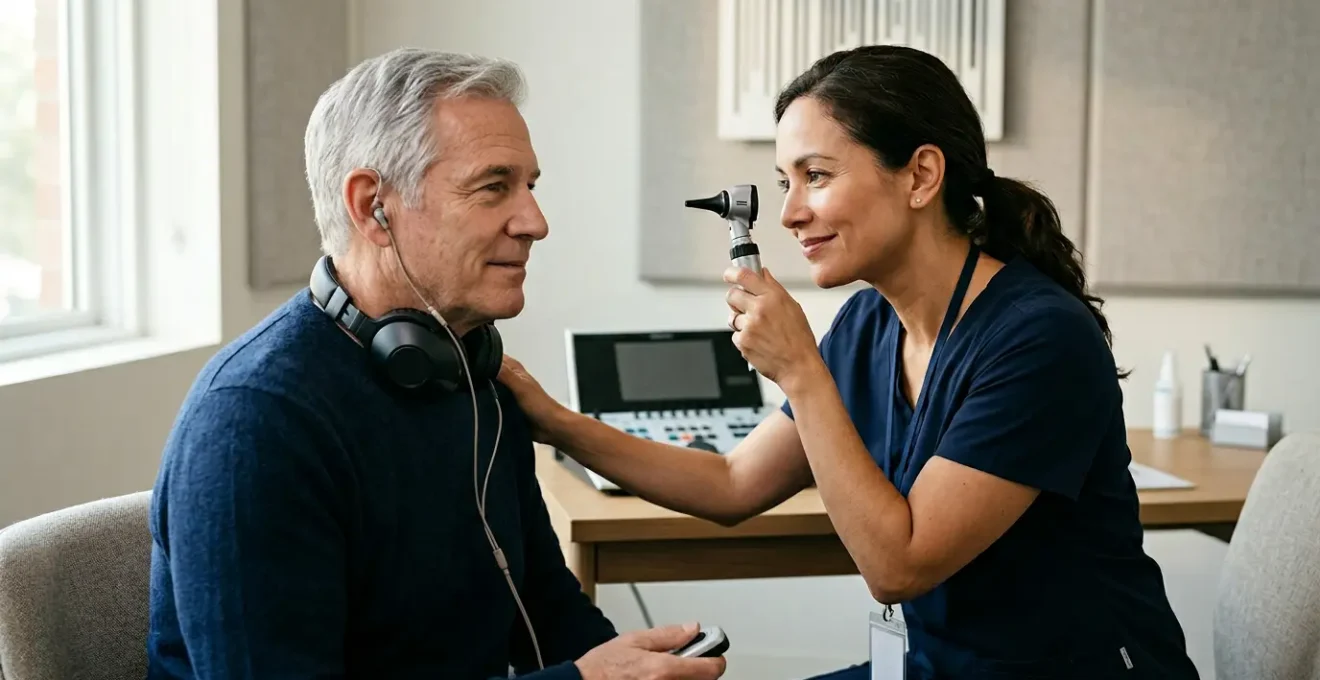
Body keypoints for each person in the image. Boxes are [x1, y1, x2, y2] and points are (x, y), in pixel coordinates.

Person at [499, 45, 1200, 679]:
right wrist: (555, 421)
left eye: (818, 176)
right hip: (936, 667)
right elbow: (734, 484)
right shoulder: (869, 324)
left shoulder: (1039, 340)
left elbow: (900, 566)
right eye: (784, 183)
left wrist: (801, 369)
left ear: (921, 175)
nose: (790, 213)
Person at [145, 48, 725, 680]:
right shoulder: (255, 424)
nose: (535, 222)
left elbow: (551, 621)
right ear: (373, 207)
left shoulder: (471, 377)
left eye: (530, 187)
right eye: (493, 187)